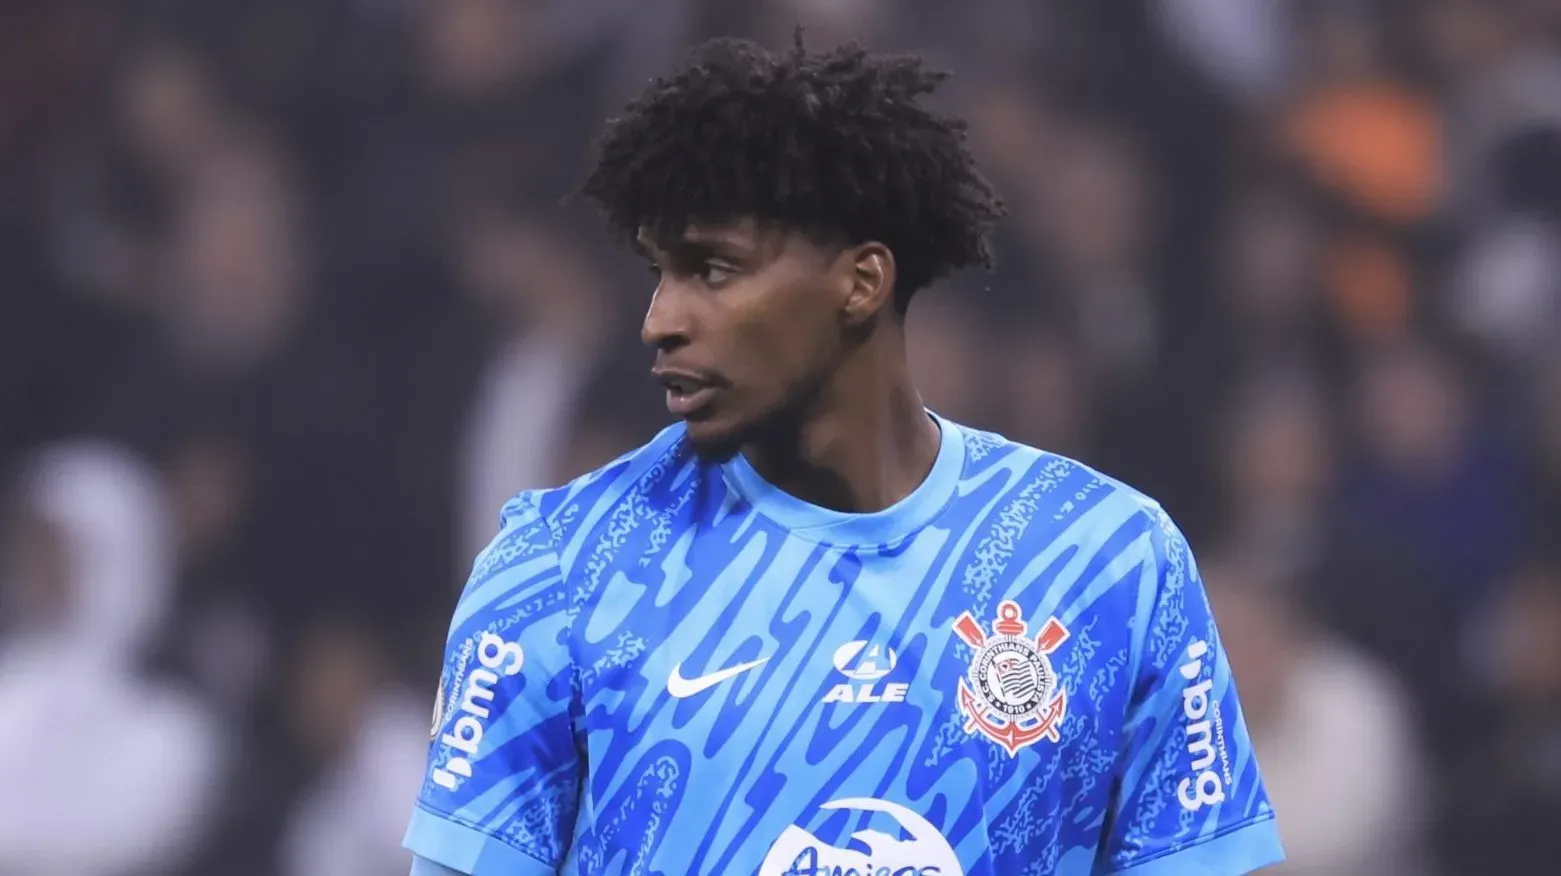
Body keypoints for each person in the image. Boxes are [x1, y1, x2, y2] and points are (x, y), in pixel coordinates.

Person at [403, 35, 1285, 876]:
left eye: (712, 271)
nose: (660, 320)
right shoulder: (557, 565)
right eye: (656, 274)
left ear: (859, 283)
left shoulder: (1104, 559)